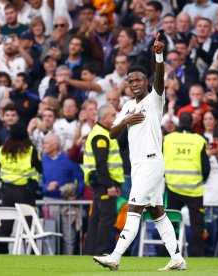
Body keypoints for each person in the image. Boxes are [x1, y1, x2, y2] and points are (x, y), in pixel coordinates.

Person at [93, 34, 186, 271]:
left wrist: (158, 55)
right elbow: (111, 133)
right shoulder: (127, 106)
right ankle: (177, 258)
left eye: (138, 80)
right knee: (157, 212)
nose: (134, 84)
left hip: (151, 162)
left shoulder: (155, 99)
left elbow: (160, 78)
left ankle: (115, 256)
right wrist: (126, 120)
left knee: (133, 209)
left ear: (146, 82)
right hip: (137, 166)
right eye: (130, 81)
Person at [164, 111, 210, 256]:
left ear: (178, 123)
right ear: (192, 123)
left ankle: (165, 252)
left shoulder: (168, 139)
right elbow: (206, 167)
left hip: (173, 187)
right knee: (196, 224)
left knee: (170, 223)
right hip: (194, 189)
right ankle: (197, 254)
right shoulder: (199, 140)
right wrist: (201, 180)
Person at [84, 104, 123, 256]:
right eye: (113, 115)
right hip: (103, 183)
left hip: (101, 182)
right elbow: (101, 164)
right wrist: (110, 186)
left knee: (96, 217)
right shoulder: (101, 135)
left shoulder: (102, 132)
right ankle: (101, 251)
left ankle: (91, 251)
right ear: (104, 117)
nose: (115, 118)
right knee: (107, 216)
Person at [0, 122, 41, 253]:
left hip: (7, 191)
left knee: (6, 226)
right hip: (25, 191)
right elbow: (39, 168)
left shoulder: (2, 150)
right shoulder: (30, 150)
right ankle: (31, 253)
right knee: (29, 224)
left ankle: (0, 254)